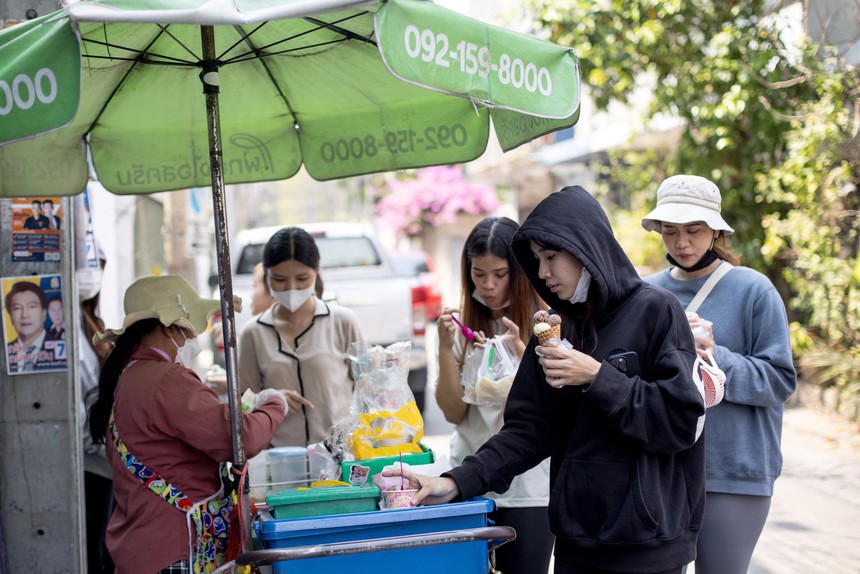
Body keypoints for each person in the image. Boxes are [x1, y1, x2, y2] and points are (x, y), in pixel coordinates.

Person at [388, 186, 706, 574]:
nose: (542, 273)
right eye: (536, 260)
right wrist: (454, 482)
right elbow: (528, 429)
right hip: (575, 544)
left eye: (551, 257)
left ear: (586, 247)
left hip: (648, 547)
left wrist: (595, 375)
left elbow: (680, 421)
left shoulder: (657, 311)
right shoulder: (559, 327)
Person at [641, 175, 797, 574]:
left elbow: (780, 380)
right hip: (663, 469)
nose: (682, 243)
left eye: (693, 231)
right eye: (670, 232)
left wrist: (716, 356)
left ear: (716, 231)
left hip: (734, 470)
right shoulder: (645, 294)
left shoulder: (753, 290)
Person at [87, 275, 293, 573]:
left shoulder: (128, 378)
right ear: (170, 327)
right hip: (173, 549)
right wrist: (275, 403)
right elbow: (241, 438)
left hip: (141, 548)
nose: (194, 339)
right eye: (190, 329)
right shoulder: (165, 380)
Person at [435, 216, 553, 574]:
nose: (487, 285)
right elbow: (454, 413)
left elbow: (556, 411)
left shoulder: (545, 322)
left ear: (519, 271)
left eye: (500, 274)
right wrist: (443, 350)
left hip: (529, 486)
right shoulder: (460, 328)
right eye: (478, 273)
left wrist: (523, 357)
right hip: (468, 479)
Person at [239, 227, 365, 447]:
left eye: (302, 278)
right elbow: (242, 401)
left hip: (339, 454)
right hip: (280, 457)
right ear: (267, 275)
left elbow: (367, 387)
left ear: (317, 271)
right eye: (279, 279)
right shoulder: (253, 333)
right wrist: (268, 398)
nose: (291, 288)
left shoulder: (343, 321)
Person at [5, 281, 52, 373]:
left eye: (32, 306)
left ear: (44, 313)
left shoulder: (61, 346)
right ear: (10, 317)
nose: (25, 315)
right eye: (17, 308)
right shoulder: (4, 351)